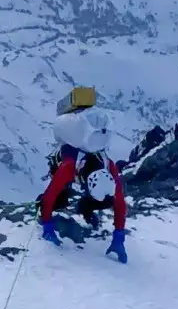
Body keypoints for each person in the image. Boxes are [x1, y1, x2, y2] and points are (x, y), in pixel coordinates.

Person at [37, 106, 128, 263]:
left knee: (105, 200)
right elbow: (50, 194)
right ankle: (41, 211)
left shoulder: (108, 166)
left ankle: (84, 208)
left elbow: (119, 202)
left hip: (82, 171)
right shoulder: (68, 167)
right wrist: (47, 224)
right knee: (59, 199)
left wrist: (119, 236)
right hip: (61, 166)